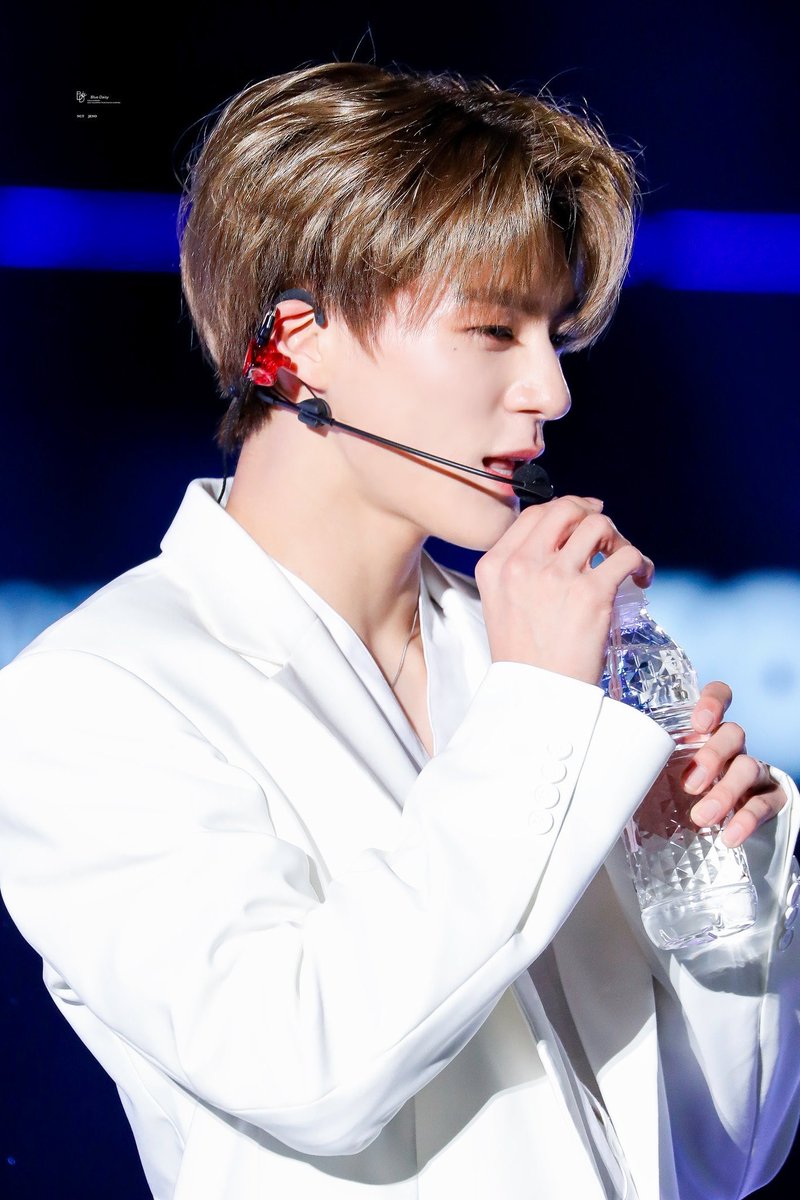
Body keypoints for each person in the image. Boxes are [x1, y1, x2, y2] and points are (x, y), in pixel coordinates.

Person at [0, 60, 798, 1200]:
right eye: (493, 329)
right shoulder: (96, 692)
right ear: (297, 344)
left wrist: (714, 882)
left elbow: (722, 1157)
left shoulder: (532, 662)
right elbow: (308, 1068)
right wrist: (538, 716)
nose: (552, 393)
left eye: (553, 335)